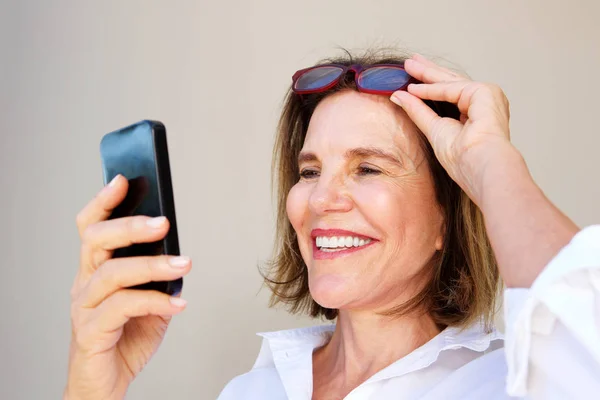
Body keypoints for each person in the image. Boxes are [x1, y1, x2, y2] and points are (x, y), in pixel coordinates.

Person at [64, 50, 600, 400]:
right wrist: (95, 386)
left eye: (367, 168)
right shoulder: (253, 391)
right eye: (310, 171)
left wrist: (490, 161)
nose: (322, 198)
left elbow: (583, 331)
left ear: (446, 217)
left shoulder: (504, 384)